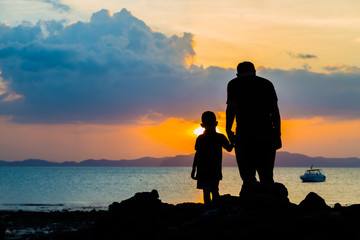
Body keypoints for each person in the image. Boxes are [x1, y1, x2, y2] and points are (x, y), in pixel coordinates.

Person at [226, 61, 282, 185]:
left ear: (237, 74)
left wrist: (228, 130)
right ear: (255, 72)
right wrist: (278, 134)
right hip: (266, 133)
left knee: (247, 177)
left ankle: (250, 201)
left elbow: (231, 108)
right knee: (267, 176)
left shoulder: (234, 84)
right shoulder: (267, 84)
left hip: (244, 134)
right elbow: (275, 111)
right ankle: (269, 202)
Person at [191, 111, 234, 204]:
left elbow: (197, 155)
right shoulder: (220, 137)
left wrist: (193, 169)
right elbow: (230, 148)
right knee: (214, 192)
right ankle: (214, 212)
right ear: (216, 123)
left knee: (207, 194)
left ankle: (210, 212)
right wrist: (233, 139)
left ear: (202, 125)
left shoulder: (200, 138)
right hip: (214, 171)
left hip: (204, 171)